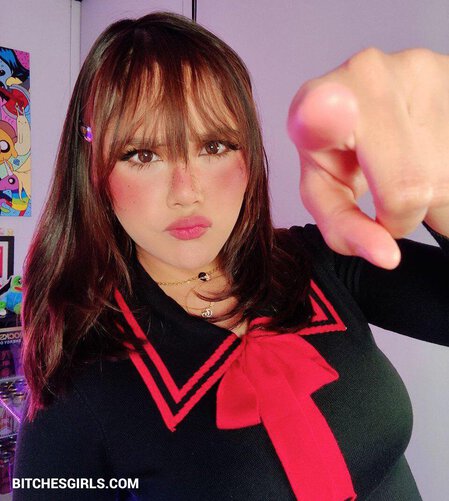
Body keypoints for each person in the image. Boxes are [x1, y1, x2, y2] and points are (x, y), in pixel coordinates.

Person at [12, 11, 448, 501]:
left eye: (214, 146)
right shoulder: (79, 376)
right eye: (143, 155)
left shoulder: (318, 261)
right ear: (94, 170)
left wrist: (443, 185)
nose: (186, 192)